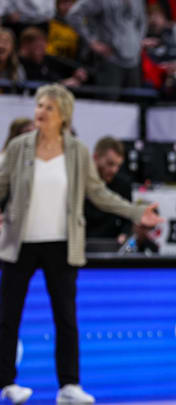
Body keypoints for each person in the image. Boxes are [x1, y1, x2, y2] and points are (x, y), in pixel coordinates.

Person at [0, 84, 162, 404]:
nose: (40, 112)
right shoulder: (18, 148)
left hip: (62, 245)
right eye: (39, 106)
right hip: (19, 244)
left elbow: (99, 194)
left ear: (63, 115)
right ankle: (6, 382)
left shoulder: (76, 151)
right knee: (8, 316)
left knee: (66, 317)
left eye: (48, 107)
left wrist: (137, 212)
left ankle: (69, 386)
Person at [67, 0, 147, 95]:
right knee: (109, 105)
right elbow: (73, 15)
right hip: (110, 60)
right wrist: (92, 42)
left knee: (134, 104)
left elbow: (142, 21)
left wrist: (138, 41)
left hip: (134, 61)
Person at [84, 136, 133, 244]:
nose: (114, 170)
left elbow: (128, 218)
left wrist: (124, 234)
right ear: (95, 157)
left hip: (112, 245)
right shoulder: (81, 181)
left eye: (118, 165)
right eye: (110, 164)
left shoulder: (123, 184)